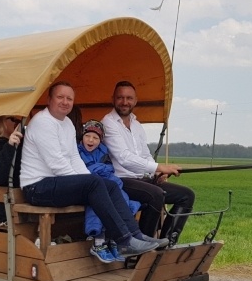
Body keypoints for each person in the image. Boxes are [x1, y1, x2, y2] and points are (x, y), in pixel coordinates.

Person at [20, 81, 165, 260]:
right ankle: (124, 241)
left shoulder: (67, 124)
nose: (65, 102)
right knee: (95, 183)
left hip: (56, 183)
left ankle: (136, 235)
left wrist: (92, 182)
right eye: (60, 97)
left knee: (109, 184)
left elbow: (74, 157)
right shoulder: (43, 122)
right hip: (37, 187)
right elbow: (56, 164)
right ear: (49, 99)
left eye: (69, 99)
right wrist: (87, 184)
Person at [102, 80, 196, 245]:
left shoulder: (137, 125)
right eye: (120, 98)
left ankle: (166, 242)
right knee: (155, 194)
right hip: (122, 181)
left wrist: (157, 172)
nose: (125, 102)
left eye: (129, 98)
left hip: (143, 180)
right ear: (113, 99)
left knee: (186, 195)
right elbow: (123, 157)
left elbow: (144, 154)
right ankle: (143, 246)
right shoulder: (108, 123)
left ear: (135, 100)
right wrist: (159, 167)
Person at [77, 119, 147, 262]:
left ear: (100, 140)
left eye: (95, 137)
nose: (91, 140)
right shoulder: (76, 151)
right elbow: (81, 170)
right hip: (87, 186)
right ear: (82, 137)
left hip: (108, 182)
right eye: (87, 136)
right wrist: (97, 169)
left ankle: (116, 240)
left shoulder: (104, 152)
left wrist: (98, 169)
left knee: (123, 200)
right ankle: (98, 241)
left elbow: (109, 168)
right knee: (99, 201)